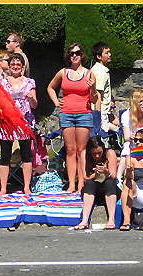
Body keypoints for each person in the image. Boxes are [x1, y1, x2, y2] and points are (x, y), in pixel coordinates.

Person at [47, 43, 98, 193]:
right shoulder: (63, 72)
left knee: (81, 149)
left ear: (82, 55)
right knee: (70, 149)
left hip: (84, 113)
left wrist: (93, 87)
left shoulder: (89, 74)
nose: (74, 55)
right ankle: (71, 184)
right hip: (67, 113)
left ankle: (81, 182)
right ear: (68, 56)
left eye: (77, 53)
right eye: (71, 53)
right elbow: (50, 87)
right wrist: (56, 101)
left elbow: (94, 99)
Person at [0, 53, 37, 195]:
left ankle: (26, 187)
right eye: (12, 64)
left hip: (24, 121)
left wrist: (31, 98)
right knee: (5, 155)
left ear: (23, 67)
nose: (15, 67)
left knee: (26, 154)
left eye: (18, 65)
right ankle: (3, 188)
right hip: (7, 122)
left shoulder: (29, 82)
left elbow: (35, 104)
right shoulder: (2, 83)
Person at [74, 136, 118, 230]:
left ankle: (111, 220)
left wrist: (106, 171)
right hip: (93, 188)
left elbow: (114, 176)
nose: (97, 156)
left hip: (109, 188)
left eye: (99, 153)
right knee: (89, 184)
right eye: (94, 154)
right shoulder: (84, 154)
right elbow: (85, 177)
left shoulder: (110, 153)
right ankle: (84, 220)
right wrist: (95, 175)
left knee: (109, 183)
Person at [117, 89, 143, 184]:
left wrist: (141, 139)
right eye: (141, 101)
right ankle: (118, 178)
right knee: (127, 149)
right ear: (134, 103)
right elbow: (126, 137)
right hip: (132, 142)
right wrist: (133, 137)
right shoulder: (126, 115)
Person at [90, 41, 112, 131]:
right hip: (100, 114)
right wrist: (98, 119)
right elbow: (98, 95)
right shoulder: (100, 72)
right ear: (99, 56)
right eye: (106, 53)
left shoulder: (97, 69)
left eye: (109, 52)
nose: (110, 55)